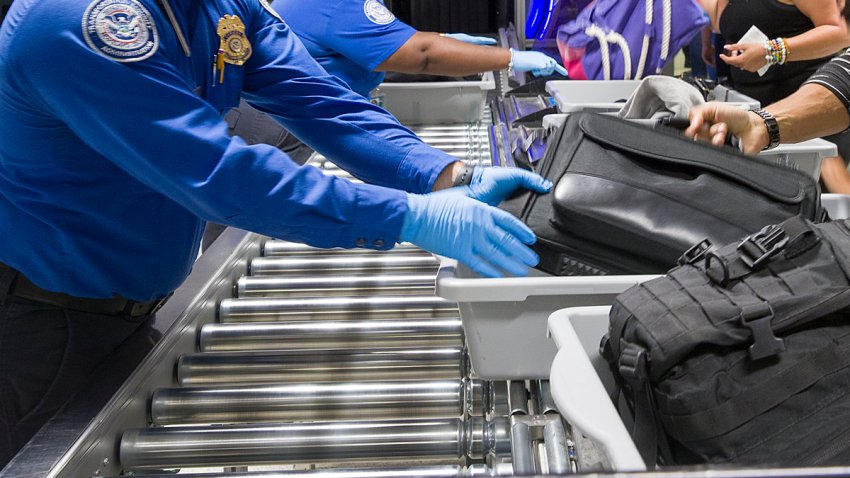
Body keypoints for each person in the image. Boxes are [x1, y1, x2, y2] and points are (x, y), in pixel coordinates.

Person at [0, 0, 552, 467]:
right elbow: (218, 174)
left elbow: (321, 101)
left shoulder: (214, 6)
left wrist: (447, 174)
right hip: (51, 319)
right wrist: (406, 216)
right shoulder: (80, 23)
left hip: (138, 300)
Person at [226, 0, 567, 165]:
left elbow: (372, 47)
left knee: (235, 213)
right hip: (270, 123)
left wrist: (443, 37)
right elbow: (421, 54)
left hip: (276, 117)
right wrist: (510, 59)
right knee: (234, 225)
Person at [685, 0, 850, 187]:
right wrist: (706, 37)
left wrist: (771, 52)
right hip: (757, 111)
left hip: (811, 117)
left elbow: (841, 33)